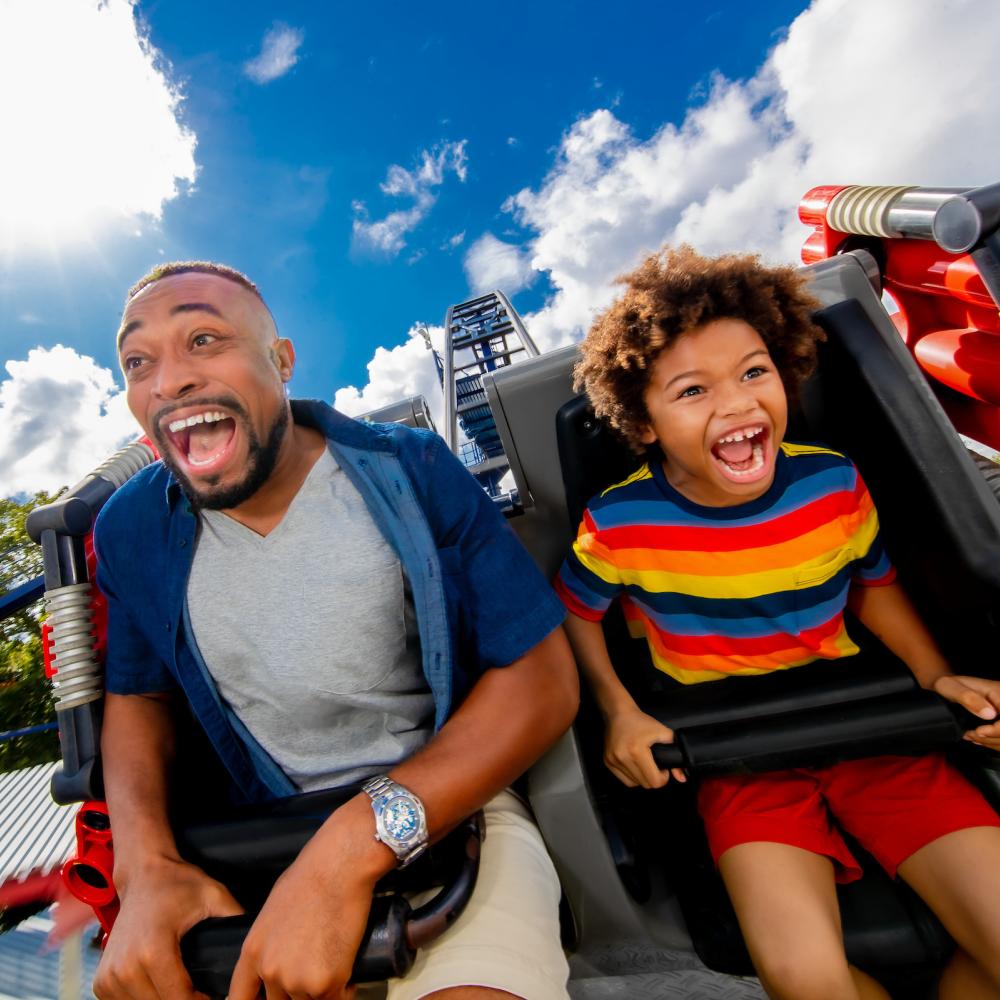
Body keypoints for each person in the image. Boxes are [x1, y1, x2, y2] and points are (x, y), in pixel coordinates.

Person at [91, 261, 579, 1000]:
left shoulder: (409, 469)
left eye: (203, 339)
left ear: (280, 362)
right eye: (138, 361)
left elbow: (541, 678)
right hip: (258, 838)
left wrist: (350, 848)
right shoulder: (129, 529)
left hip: (454, 812)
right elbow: (139, 698)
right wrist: (145, 866)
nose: (169, 381)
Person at [555, 246, 1000, 1000]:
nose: (737, 405)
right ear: (644, 423)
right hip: (738, 753)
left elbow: (871, 584)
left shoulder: (832, 481)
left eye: (754, 371)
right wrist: (620, 712)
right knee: (806, 980)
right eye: (693, 391)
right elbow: (575, 613)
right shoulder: (621, 522)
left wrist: (934, 676)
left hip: (866, 725)